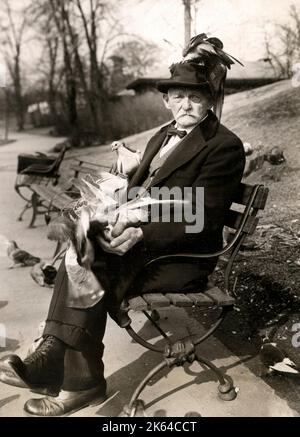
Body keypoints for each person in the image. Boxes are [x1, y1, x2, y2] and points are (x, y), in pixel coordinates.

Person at [0, 35, 245, 416]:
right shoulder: (162, 135)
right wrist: (101, 212)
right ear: (166, 99)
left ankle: (68, 373)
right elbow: (137, 192)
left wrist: (137, 233)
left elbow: (202, 216)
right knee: (84, 242)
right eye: (178, 96)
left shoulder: (223, 146)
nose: (186, 104)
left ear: (210, 100)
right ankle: (61, 364)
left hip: (182, 256)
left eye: (195, 97)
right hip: (144, 245)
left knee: (90, 258)